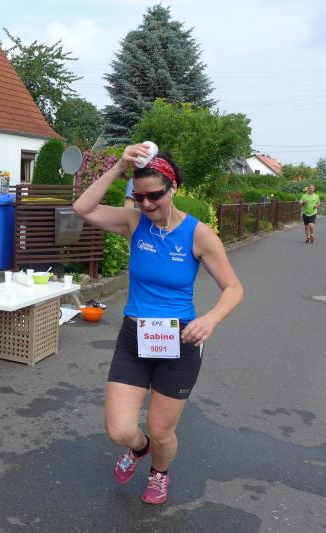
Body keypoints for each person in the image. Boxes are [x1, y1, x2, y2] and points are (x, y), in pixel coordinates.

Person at [73, 144, 243, 505]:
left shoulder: (198, 234)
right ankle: (139, 449)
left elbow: (234, 287)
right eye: (140, 197)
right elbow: (82, 208)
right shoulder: (133, 222)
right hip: (135, 337)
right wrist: (119, 166)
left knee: (161, 429)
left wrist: (210, 319)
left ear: (173, 188)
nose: (147, 204)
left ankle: (159, 473)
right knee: (120, 430)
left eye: (155, 195)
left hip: (180, 342)